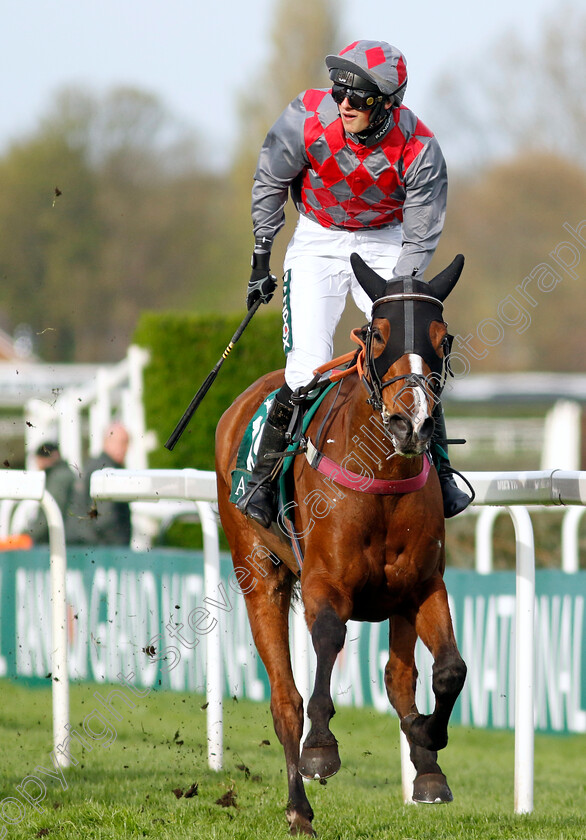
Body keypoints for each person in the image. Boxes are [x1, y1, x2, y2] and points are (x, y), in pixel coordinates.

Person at [237, 39, 470, 528]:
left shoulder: (421, 148)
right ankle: (263, 478)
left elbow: (421, 233)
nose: (345, 103)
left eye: (360, 97)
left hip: (387, 242)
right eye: (342, 90)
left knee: (408, 352)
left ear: (388, 104)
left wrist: (398, 293)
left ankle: (443, 474)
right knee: (305, 366)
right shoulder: (305, 116)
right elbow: (270, 180)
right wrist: (262, 256)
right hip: (317, 238)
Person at [67, 422, 131, 546]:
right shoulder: (108, 471)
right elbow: (105, 518)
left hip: (81, 544)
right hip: (98, 549)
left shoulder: (93, 464)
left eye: (127, 443)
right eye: (122, 442)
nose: (126, 448)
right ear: (107, 442)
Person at [27, 442, 76, 543]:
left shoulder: (58, 479)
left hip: (66, 541)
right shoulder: (63, 474)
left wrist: (29, 536)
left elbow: (47, 516)